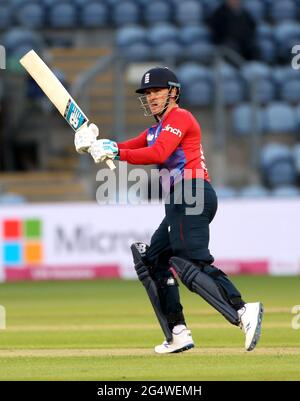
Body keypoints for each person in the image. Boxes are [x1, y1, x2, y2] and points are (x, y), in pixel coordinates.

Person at [74, 66, 264, 354]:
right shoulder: (155, 130)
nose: (151, 97)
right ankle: (177, 332)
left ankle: (241, 309)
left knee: (189, 261)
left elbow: (157, 153)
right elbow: (127, 146)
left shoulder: (180, 117)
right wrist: (96, 145)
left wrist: (114, 151)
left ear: (173, 92)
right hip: (180, 199)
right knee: (151, 261)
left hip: (193, 192)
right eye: (147, 93)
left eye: (157, 91)